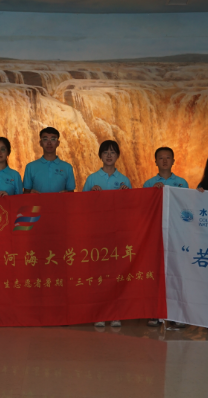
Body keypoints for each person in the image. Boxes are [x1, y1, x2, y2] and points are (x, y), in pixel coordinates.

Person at [82, 140, 130, 328]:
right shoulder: (92, 179)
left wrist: (127, 194)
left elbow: (131, 208)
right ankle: (100, 313)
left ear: (117, 156)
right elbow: (82, 207)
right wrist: (91, 194)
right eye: (105, 152)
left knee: (116, 274)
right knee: (99, 274)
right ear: (100, 155)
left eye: (112, 152)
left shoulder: (124, 180)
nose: (109, 156)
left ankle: (115, 313)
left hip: (118, 234)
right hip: (97, 233)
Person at [143, 147, 187, 328]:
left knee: (175, 272)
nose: (164, 160)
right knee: (155, 272)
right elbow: (143, 208)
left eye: (168, 157)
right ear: (155, 161)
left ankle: (176, 314)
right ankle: (154, 313)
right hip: (155, 232)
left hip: (176, 233)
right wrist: (153, 193)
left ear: (173, 161)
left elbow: (187, 207)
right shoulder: (149, 183)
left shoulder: (182, 183)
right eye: (161, 158)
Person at [23, 127, 76, 194]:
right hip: (37, 201)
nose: (49, 143)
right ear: (40, 143)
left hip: (60, 201)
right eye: (45, 139)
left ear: (58, 143)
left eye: (53, 139)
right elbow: (26, 193)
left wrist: (67, 193)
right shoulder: (30, 167)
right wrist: (30, 193)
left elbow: (71, 193)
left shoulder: (67, 167)